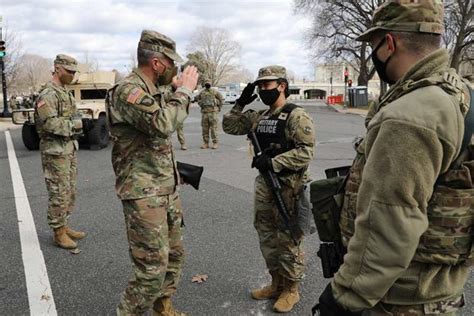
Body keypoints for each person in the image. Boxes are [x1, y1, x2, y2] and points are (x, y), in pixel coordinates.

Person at [316, 1, 473, 315]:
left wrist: (344, 298)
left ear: (389, 43)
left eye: (374, 45)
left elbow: (389, 225)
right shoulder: (463, 95)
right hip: (440, 290)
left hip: (397, 298)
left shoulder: (410, 115)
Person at [106, 29, 198, 316]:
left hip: (164, 189)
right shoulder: (128, 90)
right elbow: (161, 123)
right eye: (170, 62)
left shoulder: (151, 90)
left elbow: (158, 116)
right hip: (143, 195)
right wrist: (184, 90)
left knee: (174, 256)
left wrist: (174, 90)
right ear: (157, 63)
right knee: (150, 271)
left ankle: (163, 307)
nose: (173, 68)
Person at [222, 65, 315, 313]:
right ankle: (276, 283)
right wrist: (240, 103)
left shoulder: (296, 116)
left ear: (282, 86)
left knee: (289, 238)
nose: (263, 89)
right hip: (265, 184)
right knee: (266, 235)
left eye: (267, 85)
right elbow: (229, 126)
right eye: (260, 85)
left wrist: (273, 162)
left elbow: (306, 152)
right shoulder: (260, 117)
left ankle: (291, 289)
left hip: (289, 186)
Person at [33, 54, 84, 249]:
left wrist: (74, 124)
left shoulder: (64, 92)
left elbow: (72, 116)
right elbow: (49, 124)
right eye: (69, 71)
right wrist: (76, 125)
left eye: (74, 72)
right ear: (57, 68)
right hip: (55, 151)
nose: (72, 75)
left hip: (68, 149)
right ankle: (58, 232)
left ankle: (64, 224)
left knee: (69, 191)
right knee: (58, 192)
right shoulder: (48, 94)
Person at [196, 82, 223, 149]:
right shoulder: (202, 92)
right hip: (205, 113)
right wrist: (200, 104)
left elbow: (221, 99)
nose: (207, 84)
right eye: (206, 83)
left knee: (213, 129)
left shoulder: (215, 91)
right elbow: (198, 99)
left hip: (213, 113)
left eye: (208, 83)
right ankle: (206, 143)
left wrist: (219, 108)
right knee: (205, 129)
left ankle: (215, 143)